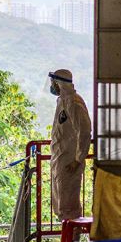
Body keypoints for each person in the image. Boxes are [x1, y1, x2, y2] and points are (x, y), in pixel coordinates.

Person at [48, 69, 92, 223]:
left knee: (69, 205)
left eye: (54, 82)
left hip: (69, 161)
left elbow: (85, 131)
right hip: (61, 159)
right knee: (61, 202)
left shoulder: (74, 102)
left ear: (59, 83)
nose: (52, 86)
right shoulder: (63, 101)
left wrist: (78, 159)